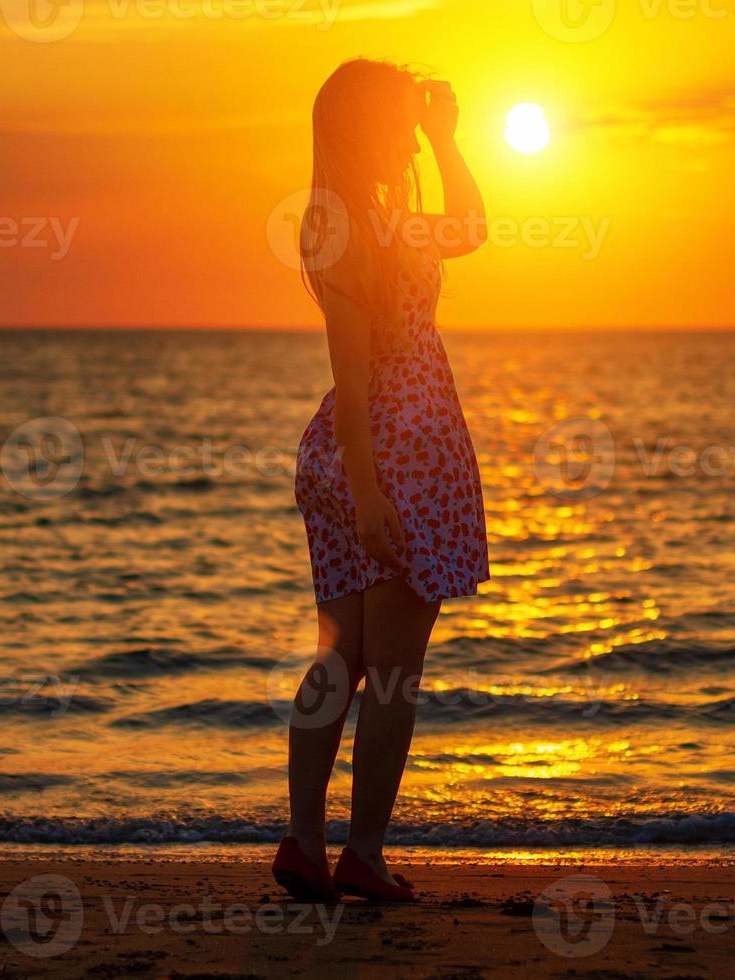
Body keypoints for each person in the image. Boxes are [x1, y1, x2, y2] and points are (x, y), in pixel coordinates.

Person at [274, 58, 490, 903]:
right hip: (396, 452)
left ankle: (304, 842)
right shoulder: (361, 231)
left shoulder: (359, 221)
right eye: (401, 119)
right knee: (393, 669)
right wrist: (369, 492)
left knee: (346, 657)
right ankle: (360, 853)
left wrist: (442, 137)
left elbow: (466, 226)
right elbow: (356, 379)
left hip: (356, 452)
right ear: (371, 127)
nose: (411, 130)